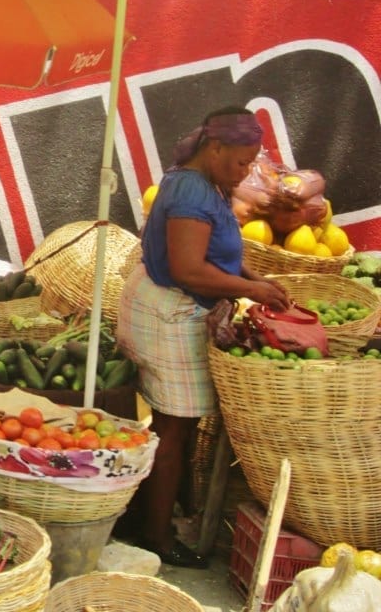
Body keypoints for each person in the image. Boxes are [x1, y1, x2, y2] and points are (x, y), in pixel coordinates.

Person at [116, 106, 289, 568]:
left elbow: (217, 253)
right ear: (214, 148)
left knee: (177, 423)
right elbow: (188, 268)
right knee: (174, 425)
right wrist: (252, 289)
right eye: (240, 161)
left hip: (166, 303)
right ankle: (155, 535)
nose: (247, 171)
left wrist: (254, 277)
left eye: (253, 161)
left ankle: (150, 514)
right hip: (168, 312)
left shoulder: (201, 179)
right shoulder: (192, 190)